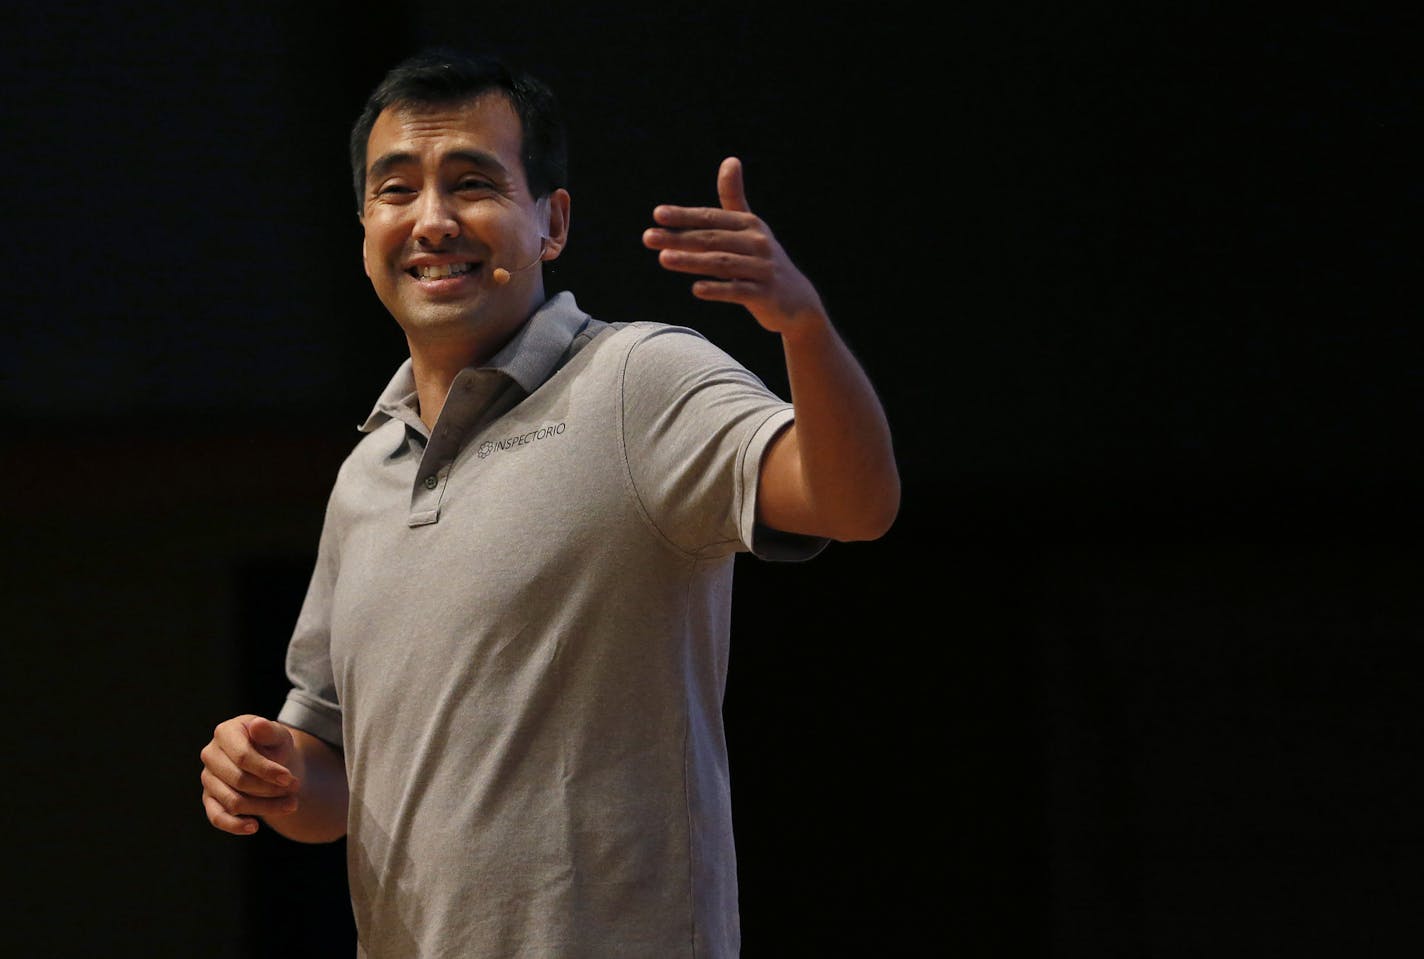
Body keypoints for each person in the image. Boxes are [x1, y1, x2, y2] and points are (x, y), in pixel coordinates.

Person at [199, 49, 898, 958]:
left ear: (551, 220)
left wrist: (803, 328)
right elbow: (333, 785)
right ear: (365, 224)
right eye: (397, 189)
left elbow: (855, 503)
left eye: (474, 182)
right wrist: (275, 775)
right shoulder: (366, 470)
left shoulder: (635, 381)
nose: (433, 220)